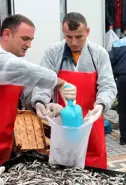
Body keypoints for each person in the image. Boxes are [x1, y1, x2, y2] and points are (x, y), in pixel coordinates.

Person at [0, 14, 76, 183]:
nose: (29, 45)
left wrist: (39, 104)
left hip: (2, 149)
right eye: (25, 38)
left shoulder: (13, 64)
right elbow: (28, 71)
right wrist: (59, 83)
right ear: (7, 34)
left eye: (31, 40)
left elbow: (27, 92)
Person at [31, 12, 117, 169]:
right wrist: (39, 102)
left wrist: (100, 106)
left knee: (94, 165)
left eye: (79, 36)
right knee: (65, 164)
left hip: (91, 121)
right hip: (63, 123)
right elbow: (43, 81)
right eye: (68, 37)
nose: (74, 42)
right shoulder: (53, 52)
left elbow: (108, 85)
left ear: (88, 32)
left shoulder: (98, 53)